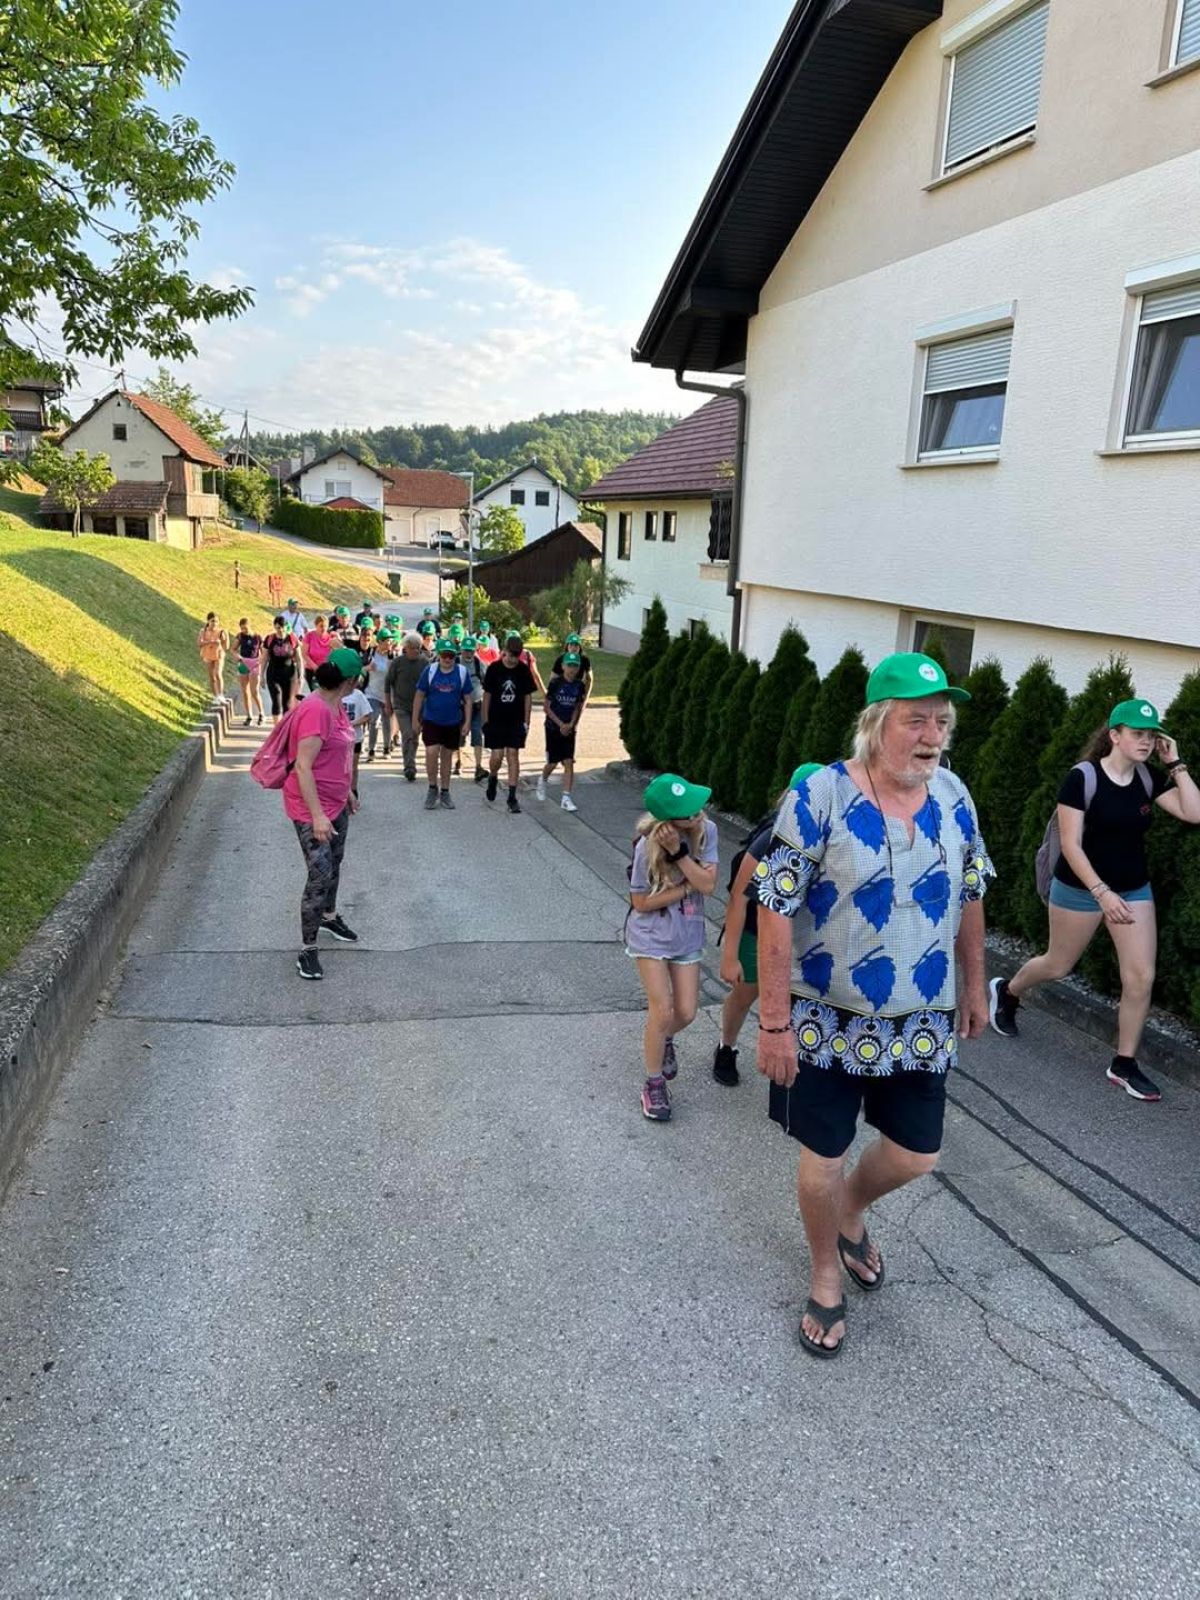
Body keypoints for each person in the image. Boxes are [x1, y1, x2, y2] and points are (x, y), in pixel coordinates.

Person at [754, 653, 992, 1360]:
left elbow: (971, 891)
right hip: (825, 1021)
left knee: (917, 1155)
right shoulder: (821, 795)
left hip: (922, 1019)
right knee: (821, 1161)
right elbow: (773, 906)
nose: (933, 735)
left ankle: (851, 1211)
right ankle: (824, 1273)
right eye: (916, 720)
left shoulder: (954, 794)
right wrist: (773, 1022)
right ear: (876, 723)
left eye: (941, 721)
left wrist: (973, 984)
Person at [990, 699, 1200, 1101]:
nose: (1146, 741)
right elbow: (1071, 845)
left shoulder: (1148, 777)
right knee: (1058, 964)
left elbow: (1194, 812)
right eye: (1137, 734)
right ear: (1114, 735)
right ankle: (1008, 991)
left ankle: (1124, 1063)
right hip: (1081, 889)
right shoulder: (1082, 778)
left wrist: (1175, 764)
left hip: (1133, 889)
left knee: (1141, 977)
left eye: (1151, 735)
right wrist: (1102, 893)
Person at [715, 764, 823, 1087]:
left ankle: (804, 1062)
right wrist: (730, 955)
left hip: (803, 933)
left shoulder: (834, 834)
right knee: (746, 992)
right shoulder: (770, 838)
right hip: (757, 929)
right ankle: (726, 1046)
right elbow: (739, 897)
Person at [626, 773, 720, 1123]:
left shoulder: (707, 831)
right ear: (669, 821)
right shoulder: (646, 845)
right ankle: (653, 1084)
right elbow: (640, 902)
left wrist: (680, 854)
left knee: (687, 1012)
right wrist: (685, 888)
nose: (698, 815)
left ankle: (662, 1038)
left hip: (687, 933)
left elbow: (708, 885)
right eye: (688, 813)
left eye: (697, 807)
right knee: (662, 1010)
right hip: (650, 934)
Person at [283, 646, 363, 981]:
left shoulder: (335, 704)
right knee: (319, 874)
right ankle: (308, 949)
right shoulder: (317, 710)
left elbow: (336, 753)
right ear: (351, 680)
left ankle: (328, 917)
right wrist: (317, 816)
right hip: (311, 807)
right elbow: (303, 766)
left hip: (335, 802)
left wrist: (347, 791)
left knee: (334, 863)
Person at [413, 638, 472, 810]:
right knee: (431, 752)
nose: (447, 659)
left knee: (447, 756)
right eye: (444, 655)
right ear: (439, 655)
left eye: (451, 656)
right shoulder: (430, 671)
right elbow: (419, 695)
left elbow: (468, 699)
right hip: (432, 719)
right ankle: (432, 788)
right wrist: (415, 719)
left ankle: (445, 791)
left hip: (453, 721)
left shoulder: (461, 672)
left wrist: (467, 722)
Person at [483, 634, 536, 814]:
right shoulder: (494, 669)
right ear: (504, 651)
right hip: (496, 719)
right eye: (510, 655)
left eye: (516, 656)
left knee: (513, 755)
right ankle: (493, 776)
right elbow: (487, 695)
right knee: (497, 755)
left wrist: (527, 721)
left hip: (516, 720)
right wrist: (485, 720)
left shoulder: (523, 670)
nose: (512, 659)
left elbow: (528, 696)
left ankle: (512, 796)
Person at [537, 652, 586, 811]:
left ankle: (566, 797)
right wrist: (560, 724)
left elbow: (577, 707)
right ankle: (543, 779)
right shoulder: (555, 683)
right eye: (569, 666)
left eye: (575, 666)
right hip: (553, 727)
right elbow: (547, 707)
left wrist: (571, 724)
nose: (572, 669)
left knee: (568, 761)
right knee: (553, 762)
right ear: (563, 666)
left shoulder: (579, 685)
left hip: (569, 728)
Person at [385, 632, 426, 782]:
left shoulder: (425, 663)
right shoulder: (398, 662)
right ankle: (409, 766)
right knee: (408, 733)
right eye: (412, 647)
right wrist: (388, 703)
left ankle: (410, 760)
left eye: (417, 648)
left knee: (414, 735)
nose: (415, 650)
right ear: (406, 648)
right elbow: (388, 683)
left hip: (419, 707)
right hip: (401, 705)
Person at [458, 635, 487, 781]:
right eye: (466, 650)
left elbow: (487, 683)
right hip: (459, 706)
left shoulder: (479, 664)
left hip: (477, 705)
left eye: (471, 651)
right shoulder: (455, 663)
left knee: (477, 734)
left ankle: (478, 766)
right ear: (461, 650)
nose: (468, 653)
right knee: (459, 735)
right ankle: (459, 761)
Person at [363, 629, 393, 762]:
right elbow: (360, 669)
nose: (389, 643)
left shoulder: (393, 656)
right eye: (387, 641)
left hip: (387, 694)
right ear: (380, 641)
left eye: (391, 641)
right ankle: (371, 750)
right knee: (374, 719)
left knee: (386, 721)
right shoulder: (371, 653)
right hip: (371, 693)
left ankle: (387, 747)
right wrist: (367, 668)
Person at [263, 616, 299, 722]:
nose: (280, 630)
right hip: (273, 674)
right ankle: (277, 728)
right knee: (276, 700)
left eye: (282, 627)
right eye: (278, 627)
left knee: (286, 703)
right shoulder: (269, 639)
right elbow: (264, 658)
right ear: (274, 627)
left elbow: (299, 658)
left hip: (289, 675)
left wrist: (301, 675)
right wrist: (261, 675)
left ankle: (285, 728)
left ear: (285, 627)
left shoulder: (292, 638)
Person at [341, 676, 372, 796]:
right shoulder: (335, 694)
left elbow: (367, 715)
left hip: (355, 737)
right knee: (340, 767)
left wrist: (352, 723)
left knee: (353, 766)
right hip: (338, 737)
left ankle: (353, 790)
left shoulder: (358, 695)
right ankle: (342, 791)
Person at [232, 617, 264, 726]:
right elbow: (233, 649)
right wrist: (237, 657)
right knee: (245, 691)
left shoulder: (257, 637)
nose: (244, 631)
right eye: (242, 628)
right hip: (243, 663)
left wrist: (261, 660)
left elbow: (264, 651)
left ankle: (261, 713)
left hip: (255, 663)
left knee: (254, 691)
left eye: (245, 628)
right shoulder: (240, 636)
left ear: (249, 626)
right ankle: (249, 715)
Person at [551, 633, 593, 705]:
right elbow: (553, 678)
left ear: (580, 647)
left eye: (576, 645)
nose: (573, 648)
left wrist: (585, 698)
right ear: (567, 646)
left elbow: (590, 679)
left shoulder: (584, 659)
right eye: (571, 645)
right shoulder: (561, 659)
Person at [197, 613, 228, 701]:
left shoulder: (221, 631)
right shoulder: (203, 631)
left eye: (216, 621)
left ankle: (221, 694)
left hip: (218, 655)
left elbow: (226, 646)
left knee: (218, 673)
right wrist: (210, 642)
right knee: (212, 676)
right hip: (208, 654)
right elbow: (199, 643)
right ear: (208, 621)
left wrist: (224, 639)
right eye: (213, 621)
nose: (214, 623)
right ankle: (216, 696)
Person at [302, 615, 334, 692]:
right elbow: (304, 654)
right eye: (321, 626)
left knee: (327, 693)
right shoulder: (309, 636)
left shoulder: (331, 637)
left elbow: (335, 653)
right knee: (316, 693)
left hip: (326, 671)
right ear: (316, 626)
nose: (324, 628)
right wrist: (316, 668)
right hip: (312, 670)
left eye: (325, 626)